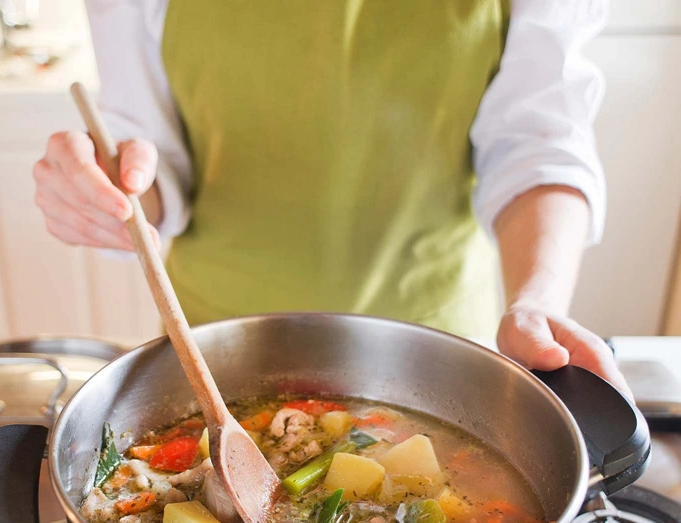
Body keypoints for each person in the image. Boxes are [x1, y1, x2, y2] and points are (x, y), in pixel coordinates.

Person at [33, 0, 630, 394]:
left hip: (439, 351)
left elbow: (536, 143)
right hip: (216, 350)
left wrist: (537, 303)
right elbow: (155, 158)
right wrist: (108, 195)